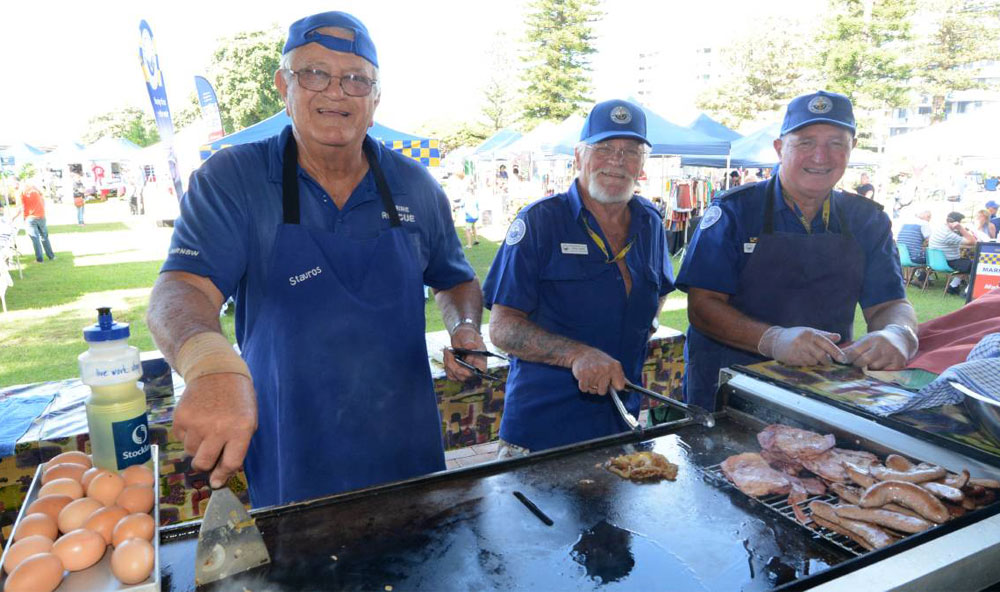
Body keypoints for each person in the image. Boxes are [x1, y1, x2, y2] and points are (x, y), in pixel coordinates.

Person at [146, 11, 486, 508]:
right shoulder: (234, 178)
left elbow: (455, 280)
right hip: (293, 448)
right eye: (314, 73)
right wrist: (210, 365)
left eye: (356, 79)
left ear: (375, 100)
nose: (336, 92)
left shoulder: (417, 185)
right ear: (284, 85)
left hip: (407, 447)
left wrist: (465, 327)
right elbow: (183, 290)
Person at [676, 91, 919, 410]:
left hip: (822, 393)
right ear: (780, 148)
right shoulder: (736, 211)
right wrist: (772, 339)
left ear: (852, 149)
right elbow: (702, 306)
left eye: (836, 143)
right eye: (805, 142)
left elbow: (889, 303)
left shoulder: (867, 220)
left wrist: (899, 334)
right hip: (728, 389)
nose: (821, 156)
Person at [482, 99, 675, 457]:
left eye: (630, 151)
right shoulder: (540, 222)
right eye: (603, 149)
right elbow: (502, 329)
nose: (617, 161)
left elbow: (659, 291)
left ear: (643, 165)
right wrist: (576, 355)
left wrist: (646, 323)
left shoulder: (651, 222)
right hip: (542, 434)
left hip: (621, 427)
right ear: (578, 157)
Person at [930, 212, 976, 294]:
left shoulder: (939, 229)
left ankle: (953, 286)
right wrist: (961, 228)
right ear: (957, 223)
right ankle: (967, 291)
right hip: (948, 262)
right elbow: (972, 241)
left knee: (966, 263)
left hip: (937, 261)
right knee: (975, 265)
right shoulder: (948, 234)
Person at [12, 178, 55, 263]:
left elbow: (20, 208)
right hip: (41, 216)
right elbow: (43, 199)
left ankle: (39, 259)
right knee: (44, 237)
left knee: (35, 238)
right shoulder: (35, 189)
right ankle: (51, 256)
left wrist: (13, 218)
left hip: (30, 218)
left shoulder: (20, 192)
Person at [896, 209, 932, 282]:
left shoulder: (905, 223)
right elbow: (930, 240)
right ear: (927, 217)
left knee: (917, 251)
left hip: (901, 256)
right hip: (915, 257)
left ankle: (908, 278)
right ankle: (920, 277)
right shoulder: (924, 223)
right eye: (929, 217)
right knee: (933, 258)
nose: (930, 219)